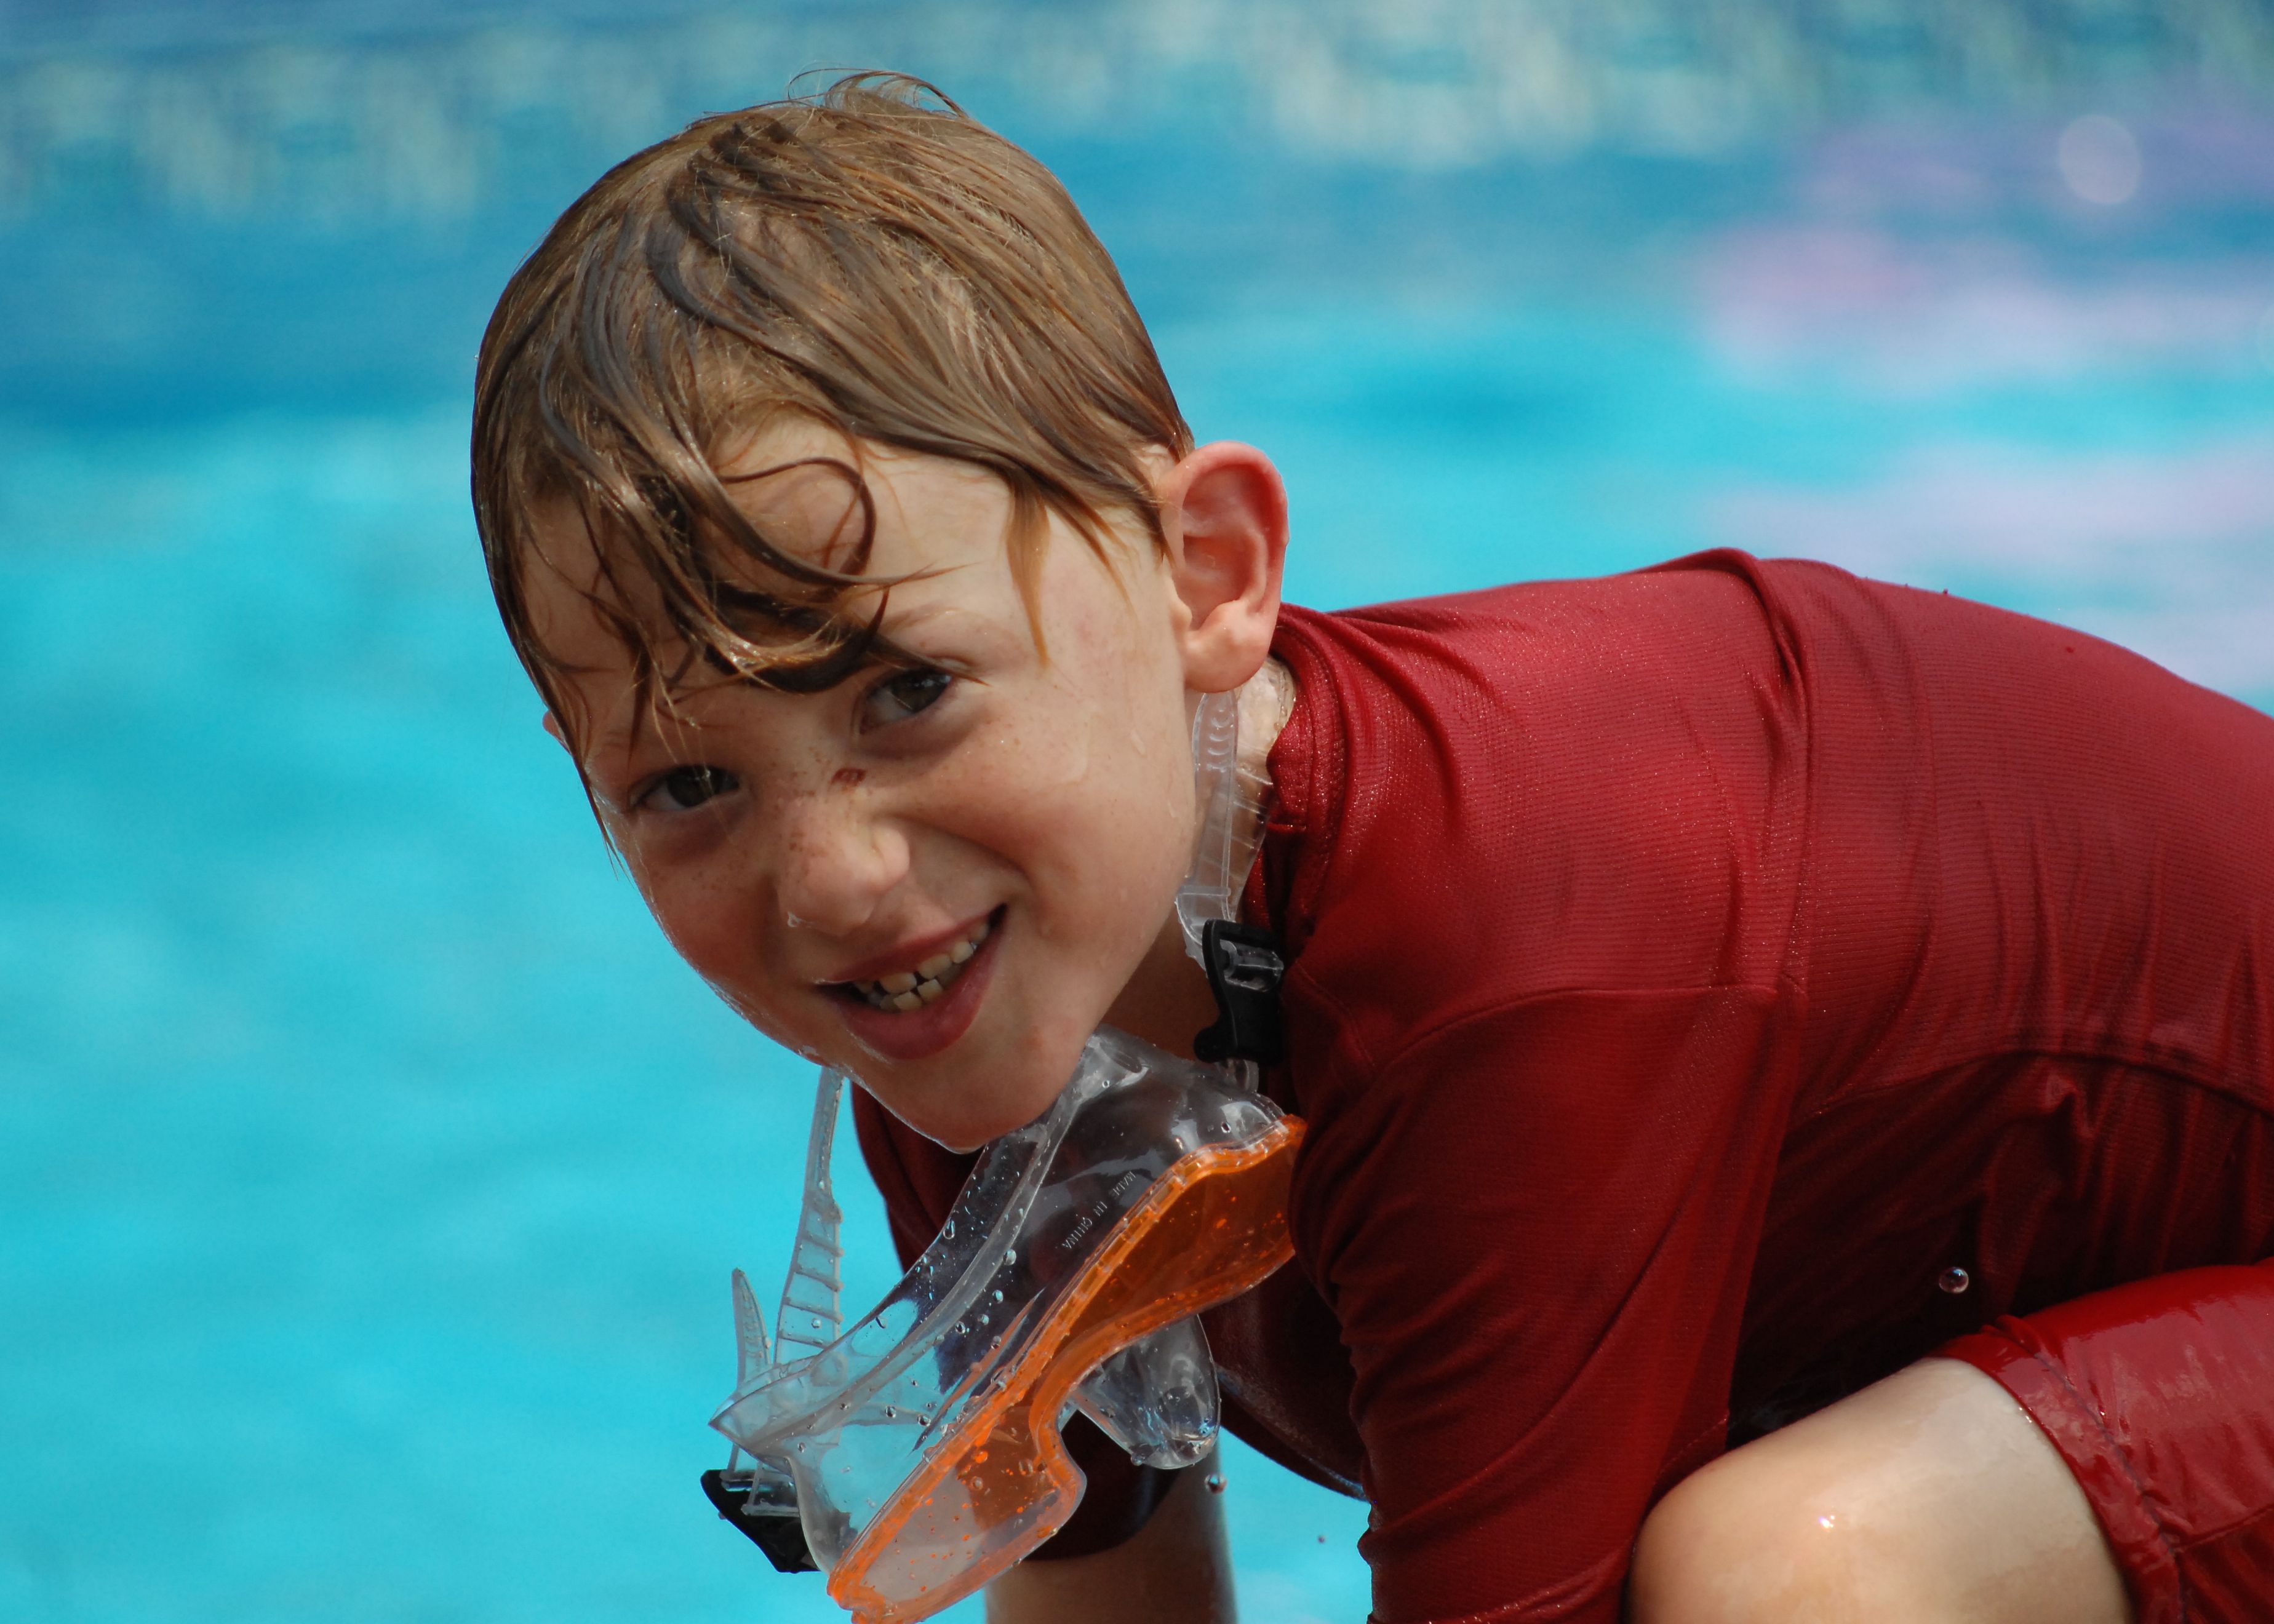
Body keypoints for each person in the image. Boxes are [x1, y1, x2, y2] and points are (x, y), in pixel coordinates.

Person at [468, 73, 2274, 1624]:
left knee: (1799, 1574)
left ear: (1208, 577)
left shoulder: (1506, 968)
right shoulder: (977, 975)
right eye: (689, 785)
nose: (834, 880)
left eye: (910, 690)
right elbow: (1106, 1594)